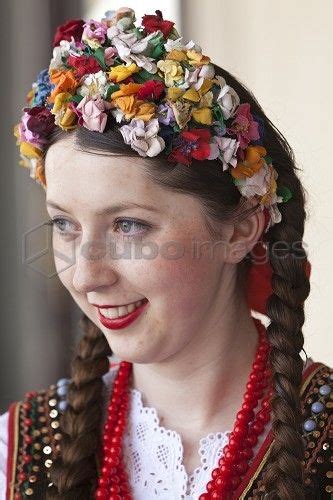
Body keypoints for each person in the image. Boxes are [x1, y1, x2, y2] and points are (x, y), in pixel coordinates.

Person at [1, 6, 331, 500]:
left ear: (241, 229)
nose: (86, 273)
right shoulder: (17, 449)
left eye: (129, 225)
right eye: (64, 224)